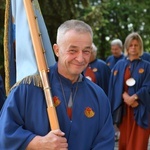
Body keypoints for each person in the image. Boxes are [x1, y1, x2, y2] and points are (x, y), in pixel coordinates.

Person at [0, 19, 114, 150]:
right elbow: (4, 134)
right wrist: (37, 143)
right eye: (73, 51)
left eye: (86, 51)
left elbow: (105, 143)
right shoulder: (28, 88)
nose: (80, 58)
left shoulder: (99, 97)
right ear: (57, 50)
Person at [108, 32, 150, 150]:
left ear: (140, 47)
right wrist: (125, 97)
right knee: (125, 142)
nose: (133, 48)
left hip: (142, 109)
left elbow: (148, 86)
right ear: (126, 47)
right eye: (131, 45)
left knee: (139, 143)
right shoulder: (119, 65)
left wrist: (135, 97)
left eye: (136, 45)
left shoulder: (147, 66)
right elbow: (113, 85)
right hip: (124, 110)